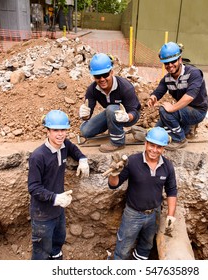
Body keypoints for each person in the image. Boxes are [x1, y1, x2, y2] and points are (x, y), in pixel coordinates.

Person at [107, 127, 177, 260]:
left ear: (163, 149)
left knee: (145, 248)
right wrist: (113, 173)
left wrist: (170, 216)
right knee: (123, 250)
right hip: (133, 215)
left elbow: (172, 191)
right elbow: (113, 185)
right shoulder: (132, 161)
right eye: (152, 145)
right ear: (145, 143)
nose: (154, 150)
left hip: (154, 215)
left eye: (159, 147)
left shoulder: (167, 166)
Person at [28, 110, 89, 260]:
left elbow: (73, 149)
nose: (60, 134)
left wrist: (82, 158)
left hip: (58, 212)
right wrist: (55, 198)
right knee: (41, 253)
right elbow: (34, 187)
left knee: (57, 245)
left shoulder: (64, 145)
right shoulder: (38, 156)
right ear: (47, 131)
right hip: (43, 214)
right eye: (55, 130)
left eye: (63, 130)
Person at [147, 42, 208, 150]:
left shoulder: (194, 73)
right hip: (184, 110)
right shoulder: (167, 78)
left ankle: (180, 139)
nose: (170, 65)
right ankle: (187, 129)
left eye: (173, 61)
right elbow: (159, 91)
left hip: (198, 111)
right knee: (156, 130)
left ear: (180, 60)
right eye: (166, 63)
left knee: (165, 111)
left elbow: (190, 96)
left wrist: (172, 108)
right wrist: (153, 97)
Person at [79, 53, 141, 153]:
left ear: (111, 72)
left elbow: (134, 111)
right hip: (111, 114)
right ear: (94, 77)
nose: (102, 79)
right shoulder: (92, 89)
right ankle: (113, 128)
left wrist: (127, 117)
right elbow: (88, 113)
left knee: (111, 108)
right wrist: (85, 115)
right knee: (85, 131)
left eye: (105, 75)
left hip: (130, 115)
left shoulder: (125, 87)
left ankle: (118, 142)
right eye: (98, 76)